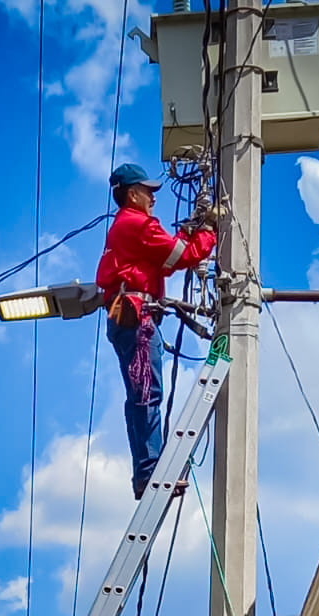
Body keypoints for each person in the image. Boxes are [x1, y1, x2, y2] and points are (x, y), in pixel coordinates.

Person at [96, 162, 217, 498]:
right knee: (146, 395)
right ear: (132, 194)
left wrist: (194, 232)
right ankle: (150, 471)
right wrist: (210, 232)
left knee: (142, 395)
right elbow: (183, 255)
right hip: (137, 318)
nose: (153, 198)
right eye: (148, 192)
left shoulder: (127, 227)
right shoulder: (137, 223)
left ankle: (147, 470)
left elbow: (168, 259)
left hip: (132, 318)